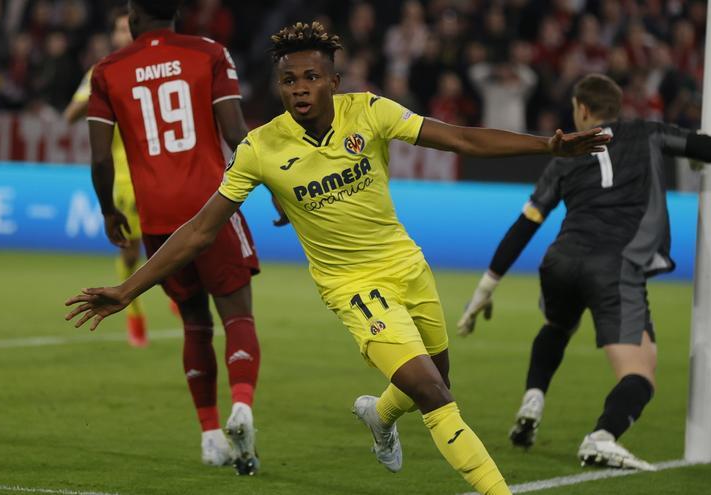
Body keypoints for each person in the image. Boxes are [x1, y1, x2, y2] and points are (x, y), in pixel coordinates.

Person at [66, 21, 608, 494]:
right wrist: (128, 289)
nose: (298, 89)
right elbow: (200, 231)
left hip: (408, 268)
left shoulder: (369, 113)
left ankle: (380, 414)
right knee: (434, 392)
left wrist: (548, 146)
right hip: (352, 287)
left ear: (333, 81)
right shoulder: (260, 148)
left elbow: (462, 138)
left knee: (435, 379)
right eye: (287, 81)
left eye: (309, 78)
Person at [457, 74, 711, 471]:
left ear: (582, 109)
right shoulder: (648, 132)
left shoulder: (565, 155)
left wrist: (485, 287)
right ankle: (602, 436)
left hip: (561, 261)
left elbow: (527, 222)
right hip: (615, 265)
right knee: (640, 371)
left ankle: (534, 396)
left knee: (557, 326)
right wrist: (694, 156)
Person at [83, 0, 263, 473]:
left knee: (194, 324)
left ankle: (208, 436)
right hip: (214, 207)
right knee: (238, 316)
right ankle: (241, 406)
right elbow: (236, 133)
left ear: (134, 19)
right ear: (175, 15)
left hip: (159, 222)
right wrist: (277, 186)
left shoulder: (107, 70)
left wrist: (108, 210)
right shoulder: (209, 52)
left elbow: (100, 158)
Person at [63, 8, 147, 348]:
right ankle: (134, 311)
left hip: (164, 173)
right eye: (118, 31)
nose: (123, 37)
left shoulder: (157, 68)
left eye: (129, 30)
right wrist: (96, 93)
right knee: (132, 252)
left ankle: (176, 291)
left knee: (179, 245)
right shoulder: (102, 72)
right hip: (125, 178)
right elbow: (70, 115)